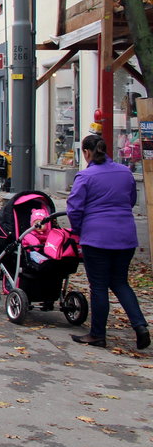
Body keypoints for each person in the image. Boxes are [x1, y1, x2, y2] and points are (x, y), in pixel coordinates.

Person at [66, 139, 150, 349]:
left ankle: (97, 334)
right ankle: (140, 326)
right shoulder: (125, 172)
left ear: (86, 152)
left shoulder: (85, 176)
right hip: (125, 236)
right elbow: (131, 199)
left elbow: (74, 208)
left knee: (99, 286)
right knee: (120, 282)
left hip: (97, 238)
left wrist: (78, 230)